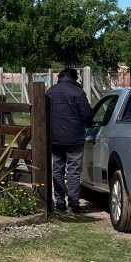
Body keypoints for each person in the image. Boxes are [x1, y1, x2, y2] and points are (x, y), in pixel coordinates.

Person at [46, 67, 93, 214]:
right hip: (74, 139)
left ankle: (59, 203)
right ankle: (73, 204)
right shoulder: (77, 92)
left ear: (59, 77)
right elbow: (87, 115)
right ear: (75, 78)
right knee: (73, 172)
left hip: (54, 138)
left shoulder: (50, 92)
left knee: (57, 170)